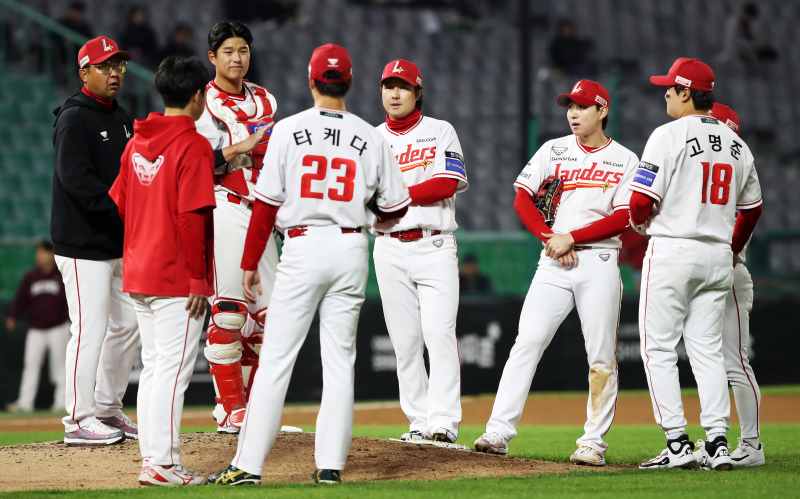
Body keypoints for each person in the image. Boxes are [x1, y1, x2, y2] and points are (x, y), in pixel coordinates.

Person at [209, 43, 410, 486]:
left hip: (302, 246)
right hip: (351, 247)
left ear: (310, 80)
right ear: (350, 82)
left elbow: (265, 204)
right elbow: (397, 208)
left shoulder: (288, 129)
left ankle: (248, 466)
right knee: (339, 361)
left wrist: (249, 262)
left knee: (276, 359)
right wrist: (367, 213)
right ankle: (329, 467)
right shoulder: (371, 135)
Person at [473, 80, 638, 466]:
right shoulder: (554, 149)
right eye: (570, 107)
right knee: (527, 341)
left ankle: (593, 442)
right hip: (553, 260)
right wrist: (552, 239)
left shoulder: (625, 159)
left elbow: (624, 216)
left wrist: (571, 238)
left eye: (582, 107)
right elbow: (522, 198)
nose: (573, 114)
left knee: (601, 355)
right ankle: (498, 432)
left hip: (598, 260)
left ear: (603, 111)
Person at [630, 58, 762, 471]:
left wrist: (639, 222)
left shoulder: (667, 134)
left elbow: (640, 202)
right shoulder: (737, 144)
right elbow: (752, 208)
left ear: (687, 92)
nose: (665, 94)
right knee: (706, 351)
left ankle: (677, 444)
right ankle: (718, 443)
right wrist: (733, 248)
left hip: (674, 249)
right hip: (719, 255)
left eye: (669, 89)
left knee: (658, 348)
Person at [110, 55, 215, 487]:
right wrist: (198, 277)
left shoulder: (136, 142)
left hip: (139, 271)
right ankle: (164, 465)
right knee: (171, 372)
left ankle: (152, 458)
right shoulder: (193, 144)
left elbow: (119, 204)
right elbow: (192, 217)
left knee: (155, 368)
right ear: (199, 95)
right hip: (176, 277)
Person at [372, 59, 467, 444]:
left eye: (403, 87)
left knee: (438, 332)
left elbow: (447, 183)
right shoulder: (371, 138)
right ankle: (418, 421)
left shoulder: (440, 130)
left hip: (434, 244)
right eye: (388, 86)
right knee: (404, 341)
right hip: (388, 247)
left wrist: (396, 195)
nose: (395, 94)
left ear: (418, 93)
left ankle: (444, 422)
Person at [52, 36, 140, 446]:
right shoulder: (74, 118)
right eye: (104, 66)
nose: (114, 73)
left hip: (116, 242)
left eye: (118, 65)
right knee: (89, 329)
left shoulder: (120, 116)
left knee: (128, 324)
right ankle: (77, 419)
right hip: (81, 245)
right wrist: (123, 210)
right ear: (84, 72)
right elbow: (77, 181)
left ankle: (106, 406)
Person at [194, 21, 278, 434]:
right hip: (224, 203)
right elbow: (194, 162)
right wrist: (239, 148)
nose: (237, 58)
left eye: (243, 50)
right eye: (228, 51)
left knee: (271, 320)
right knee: (229, 312)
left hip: (263, 211)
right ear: (213, 57)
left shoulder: (265, 98)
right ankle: (230, 408)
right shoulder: (202, 101)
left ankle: (252, 408)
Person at [691, 103, 764, 467]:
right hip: (712, 270)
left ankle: (751, 445)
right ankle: (714, 442)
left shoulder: (728, 171)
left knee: (734, 362)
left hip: (729, 272)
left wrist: (731, 251)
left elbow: (749, 215)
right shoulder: (727, 168)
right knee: (712, 360)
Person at [5, 241, 70, 413]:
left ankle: (61, 402)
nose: (41, 256)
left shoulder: (61, 275)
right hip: (36, 329)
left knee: (61, 366)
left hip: (58, 327)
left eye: (45, 252)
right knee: (31, 365)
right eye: (39, 252)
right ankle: (25, 403)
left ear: (52, 255)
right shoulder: (31, 277)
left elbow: (70, 299)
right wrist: (13, 315)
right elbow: (21, 300)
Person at [119, 6, 159, 70]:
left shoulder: (148, 33)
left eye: (140, 16)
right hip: (128, 62)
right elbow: (123, 48)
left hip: (145, 63)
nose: (138, 18)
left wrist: (142, 56)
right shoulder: (126, 32)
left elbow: (152, 50)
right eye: (136, 16)